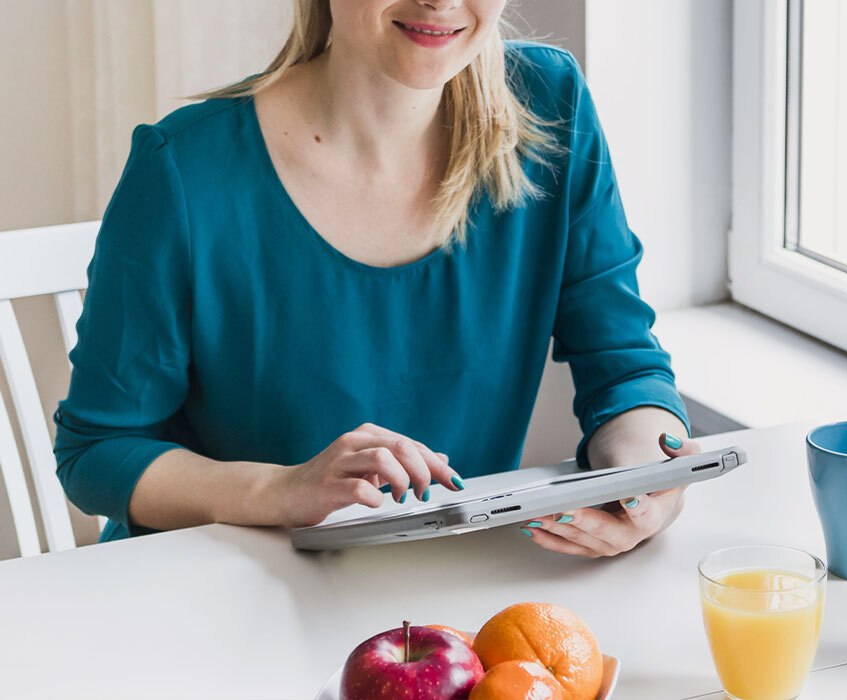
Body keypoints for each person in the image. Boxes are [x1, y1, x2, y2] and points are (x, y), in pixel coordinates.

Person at [54, 0, 700, 558]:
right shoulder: (185, 171)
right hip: (219, 595)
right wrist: (282, 492)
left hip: (442, 594)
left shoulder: (552, 104)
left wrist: (645, 487)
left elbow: (623, 368)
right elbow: (97, 450)